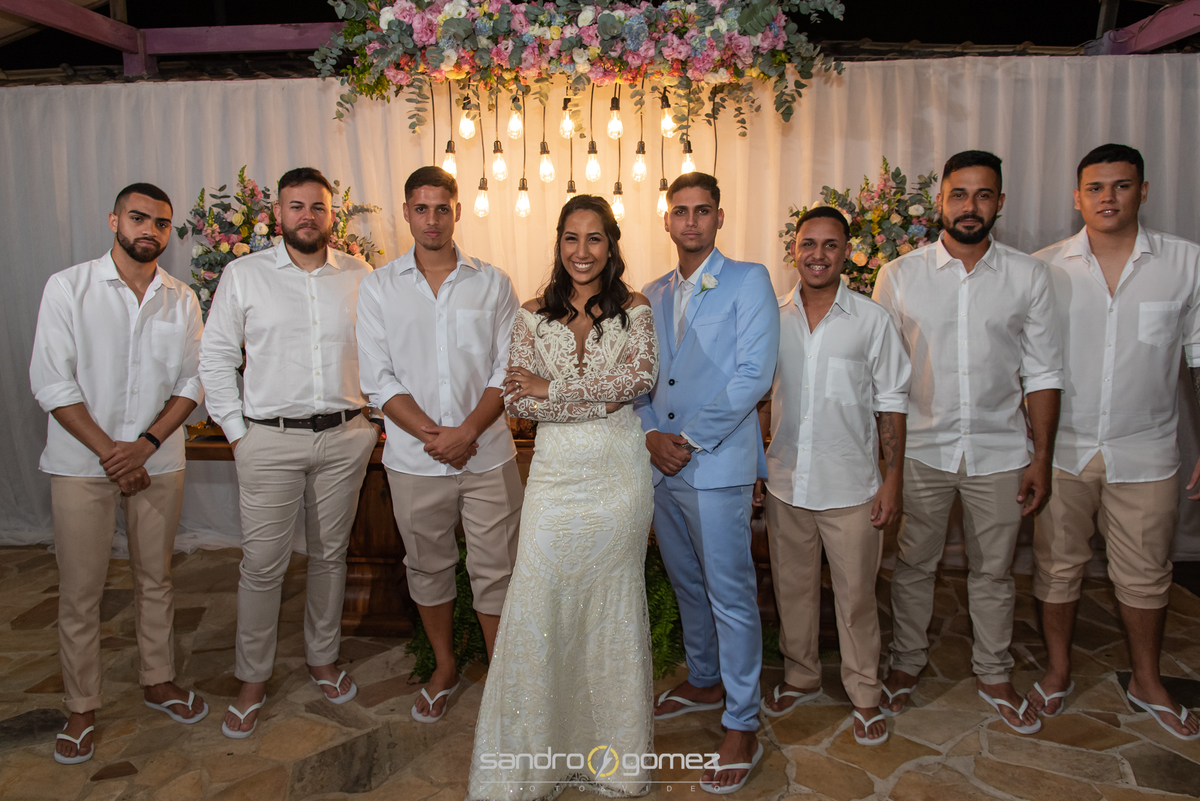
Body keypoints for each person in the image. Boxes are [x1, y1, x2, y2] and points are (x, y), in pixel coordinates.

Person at [466, 195, 658, 800]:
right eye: (571, 238)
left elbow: (637, 381)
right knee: (539, 602)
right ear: (558, 244)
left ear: (611, 245)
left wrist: (551, 387)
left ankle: (610, 757)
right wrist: (586, 396)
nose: (582, 251)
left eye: (594, 238)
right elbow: (517, 401)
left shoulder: (636, 309)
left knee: (610, 608)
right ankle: (535, 760)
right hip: (553, 480)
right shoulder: (530, 315)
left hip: (618, 479)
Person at [872, 150, 1063, 735]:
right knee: (912, 565)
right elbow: (882, 379)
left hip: (1000, 452)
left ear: (999, 202)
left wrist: (1042, 458)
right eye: (959, 194)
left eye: (983, 195)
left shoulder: (1029, 276)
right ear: (941, 202)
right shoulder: (899, 275)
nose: (970, 206)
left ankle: (993, 670)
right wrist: (887, 465)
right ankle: (906, 662)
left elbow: (1043, 373)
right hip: (921, 451)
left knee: (995, 572)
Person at [30, 182, 207, 764]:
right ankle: (81, 706)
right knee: (81, 591)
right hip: (82, 464)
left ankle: (158, 680)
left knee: (156, 579)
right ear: (114, 221)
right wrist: (113, 453)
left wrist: (145, 445)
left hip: (158, 460)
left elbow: (193, 381)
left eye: (160, 222)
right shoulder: (69, 287)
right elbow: (51, 382)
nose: (149, 230)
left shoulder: (181, 298)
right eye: (138, 218)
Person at [199, 167, 380, 738]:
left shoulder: (360, 275)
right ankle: (252, 677)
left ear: (332, 215)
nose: (307, 216)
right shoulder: (244, 275)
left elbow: (382, 351)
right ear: (278, 214)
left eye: (317, 207)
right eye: (296, 206)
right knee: (262, 564)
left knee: (330, 556)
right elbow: (216, 356)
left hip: (345, 436)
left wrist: (373, 421)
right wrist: (238, 433)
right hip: (268, 439)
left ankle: (322, 659)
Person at [1028, 144, 1200, 739]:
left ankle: (1148, 680)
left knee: (1147, 574)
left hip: (1146, 450)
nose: (1108, 197)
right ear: (1077, 197)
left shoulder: (1186, 263)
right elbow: (1027, 365)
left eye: (1122, 186)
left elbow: (1199, 356)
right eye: (1096, 188)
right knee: (1056, 568)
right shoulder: (1045, 268)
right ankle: (1057, 670)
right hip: (1062, 450)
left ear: (1143, 191)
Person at [356, 166, 522, 723]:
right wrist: (438, 438)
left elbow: (507, 369)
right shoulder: (378, 287)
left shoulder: (492, 282)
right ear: (406, 212)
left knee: (498, 569)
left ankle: (504, 679)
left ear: (457, 211)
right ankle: (445, 667)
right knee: (427, 567)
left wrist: (467, 433)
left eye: (442, 208)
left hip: (488, 454)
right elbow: (378, 379)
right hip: (414, 459)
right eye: (421, 208)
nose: (432, 219)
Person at [635, 172, 779, 793]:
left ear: (719, 217)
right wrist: (650, 434)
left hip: (715, 463)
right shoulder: (650, 293)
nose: (690, 221)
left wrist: (688, 439)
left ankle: (743, 720)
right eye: (680, 211)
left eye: (702, 211)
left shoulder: (748, 280)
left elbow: (755, 375)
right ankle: (703, 677)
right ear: (666, 219)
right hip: (660, 464)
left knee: (730, 592)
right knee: (686, 581)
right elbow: (639, 378)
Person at [757, 207, 911, 746]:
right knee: (793, 590)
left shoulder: (872, 320)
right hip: (786, 482)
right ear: (794, 250)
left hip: (852, 488)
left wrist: (892, 480)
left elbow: (892, 404)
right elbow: (759, 396)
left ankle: (865, 690)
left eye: (830, 244)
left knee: (857, 598)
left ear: (847, 252)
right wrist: (757, 468)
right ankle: (801, 675)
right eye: (808, 243)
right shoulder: (773, 317)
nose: (817, 254)